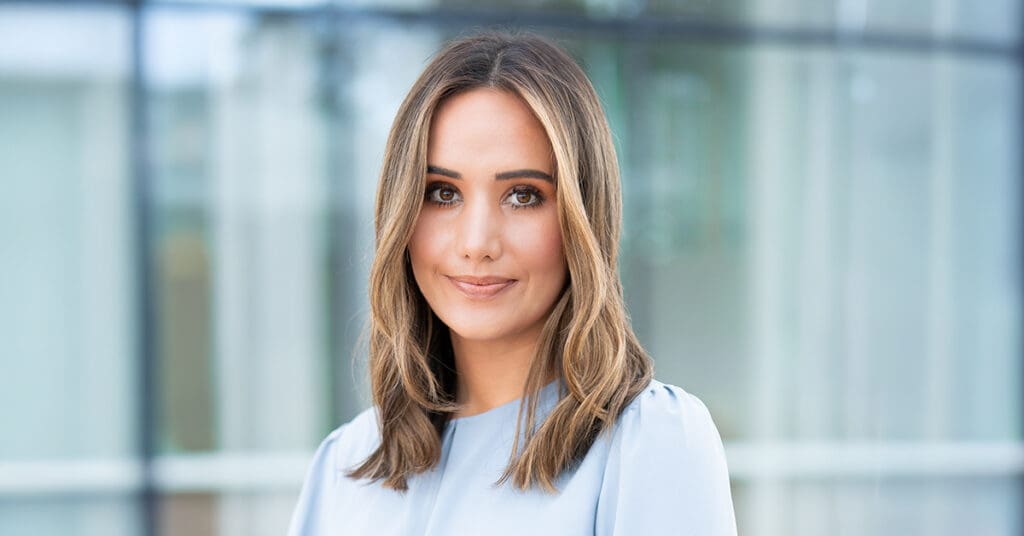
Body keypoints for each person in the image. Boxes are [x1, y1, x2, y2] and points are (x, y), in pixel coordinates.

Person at [287, 31, 737, 535]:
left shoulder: (649, 443)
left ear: (582, 218)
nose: (477, 243)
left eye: (523, 195)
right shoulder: (346, 466)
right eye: (442, 193)